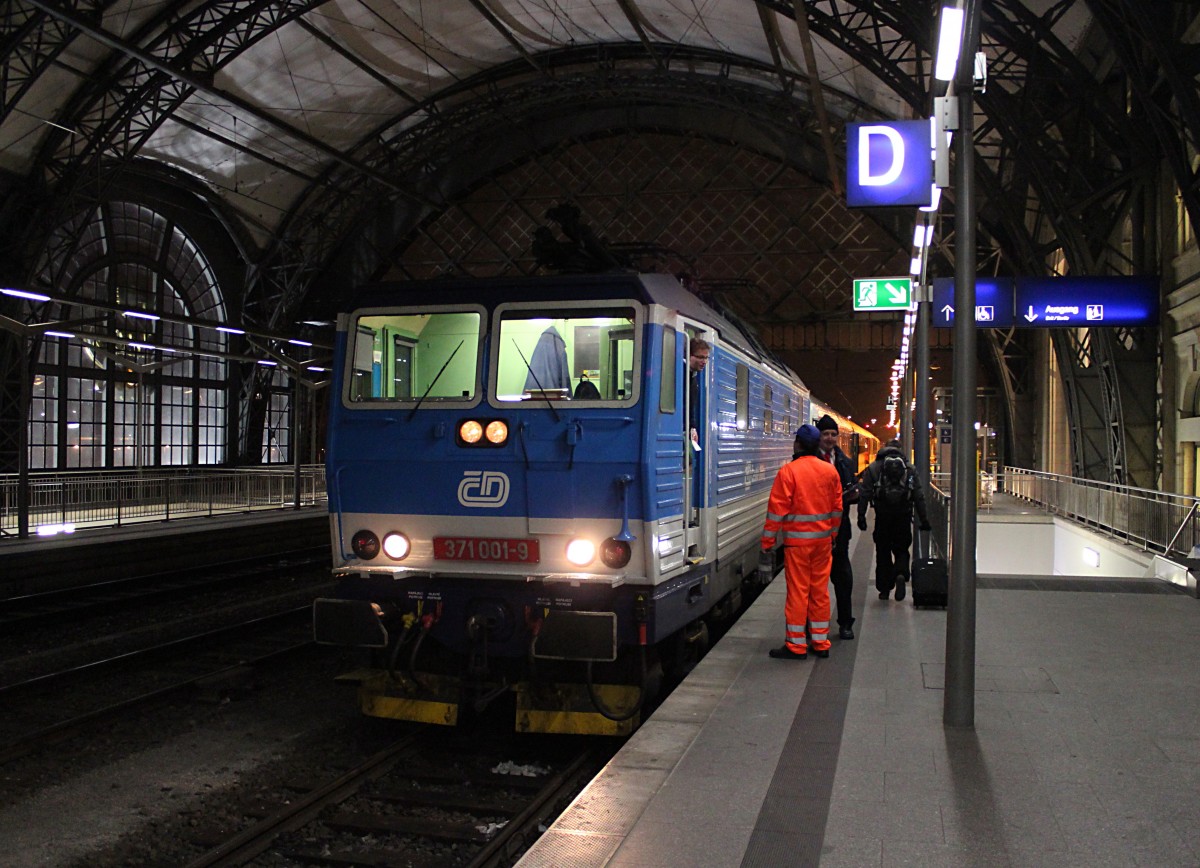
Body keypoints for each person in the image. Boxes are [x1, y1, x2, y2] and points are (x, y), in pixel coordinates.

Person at [761, 424, 843, 660]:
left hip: (797, 545)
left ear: (797, 444)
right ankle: (820, 642)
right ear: (817, 444)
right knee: (820, 592)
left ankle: (796, 645)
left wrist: (767, 543)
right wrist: (832, 536)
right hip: (822, 543)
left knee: (798, 592)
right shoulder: (830, 471)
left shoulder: (789, 472)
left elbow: (775, 513)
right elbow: (837, 510)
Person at [857, 439, 931, 601]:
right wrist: (924, 519)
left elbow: (865, 493)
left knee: (882, 552)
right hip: (903, 516)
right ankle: (900, 574)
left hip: (882, 516)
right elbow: (919, 496)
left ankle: (884, 589)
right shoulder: (909, 468)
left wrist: (861, 516)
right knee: (902, 548)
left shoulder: (874, 467)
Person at [814, 414, 859, 640]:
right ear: (818, 436)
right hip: (814, 530)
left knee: (843, 578)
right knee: (815, 583)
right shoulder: (810, 459)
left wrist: (851, 495)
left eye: (833, 434)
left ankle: (845, 623)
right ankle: (813, 627)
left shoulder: (844, 461)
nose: (830, 438)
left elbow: (851, 487)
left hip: (839, 529)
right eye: (825, 434)